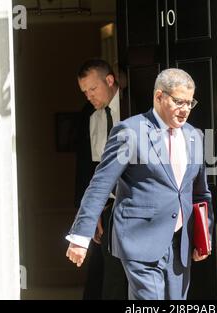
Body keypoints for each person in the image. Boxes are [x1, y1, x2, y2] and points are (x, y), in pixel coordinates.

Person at [66, 68, 214, 300]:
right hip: (140, 239)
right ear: (159, 97)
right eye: (178, 102)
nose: (185, 109)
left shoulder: (194, 136)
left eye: (189, 102)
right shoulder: (130, 131)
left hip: (180, 244)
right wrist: (80, 236)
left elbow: (200, 193)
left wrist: (204, 236)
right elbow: (100, 184)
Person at [74, 58, 128, 300]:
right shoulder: (94, 119)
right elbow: (100, 171)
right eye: (84, 92)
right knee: (113, 281)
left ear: (109, 80)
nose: (89, 96)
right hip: (111, 209)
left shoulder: (133, 109)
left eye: (92, 89)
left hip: (140, 205)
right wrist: (98, 210)